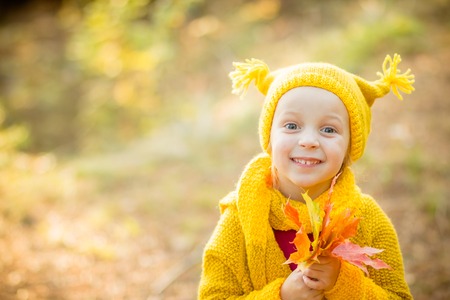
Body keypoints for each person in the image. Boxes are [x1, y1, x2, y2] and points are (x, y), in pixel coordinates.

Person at [198, 54, 414, 299]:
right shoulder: (241, 216)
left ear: (350, 147)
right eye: (291, 126)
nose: (309, 141)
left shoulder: (367, 218)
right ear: (269, 137)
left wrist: (342, 283)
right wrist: (280, 296)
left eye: (328, 129)